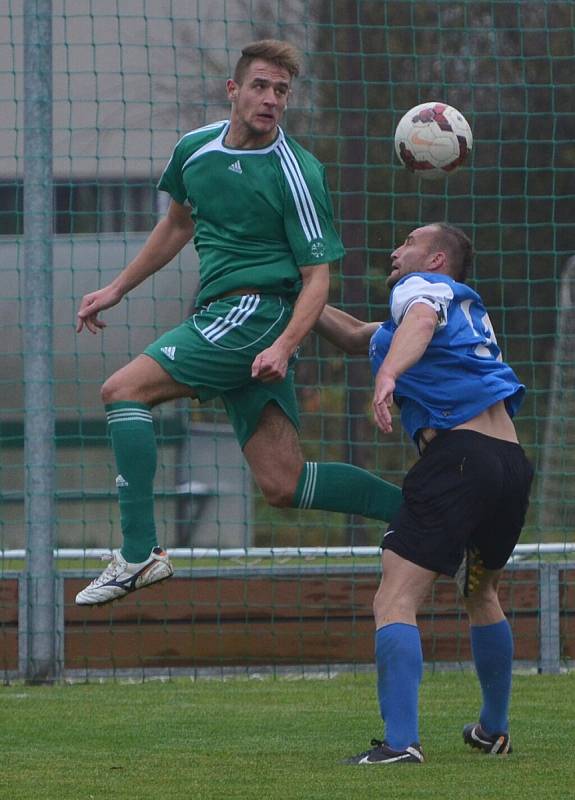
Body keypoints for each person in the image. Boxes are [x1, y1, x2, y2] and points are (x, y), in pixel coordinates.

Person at [74, 39, 402, 606]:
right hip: (229, 318)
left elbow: (317, 278)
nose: (271, 99)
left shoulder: (298, 171)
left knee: (122, 391)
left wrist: (284, 344)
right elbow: (177, 226)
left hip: (255, 314)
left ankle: (138, 552)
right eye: (260, 86)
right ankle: (420, 512)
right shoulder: (194, 149)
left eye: (281, 91)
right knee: (284, 484)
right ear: (234, 89)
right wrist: (116, 288)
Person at [314, 222, 533, 764]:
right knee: (480, 592)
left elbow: (417, 321)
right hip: (508, 463)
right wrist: (298, 301)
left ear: (436, 259)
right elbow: (352, 335)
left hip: (458, 459)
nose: (396, 250)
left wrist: (388, 375)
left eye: (409, 242)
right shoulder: (456, 305)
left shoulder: (421, 293)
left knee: (395, 596)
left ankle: (400, 743)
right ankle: (493, 730)